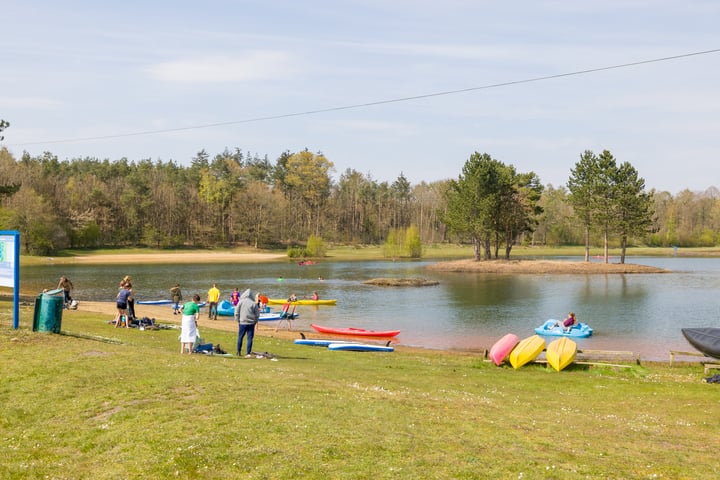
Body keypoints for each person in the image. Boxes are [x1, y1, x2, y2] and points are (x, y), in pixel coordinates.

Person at [235, 288, 259, 358]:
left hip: (242, 323)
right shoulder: (253, 303)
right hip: (251, 323)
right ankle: (248, 353)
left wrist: (238, 321)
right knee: (250, 338)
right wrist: (255, 322)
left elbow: (236, 312)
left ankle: (238, 351)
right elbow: (257, 315)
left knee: (240, 337)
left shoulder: (240, 302)